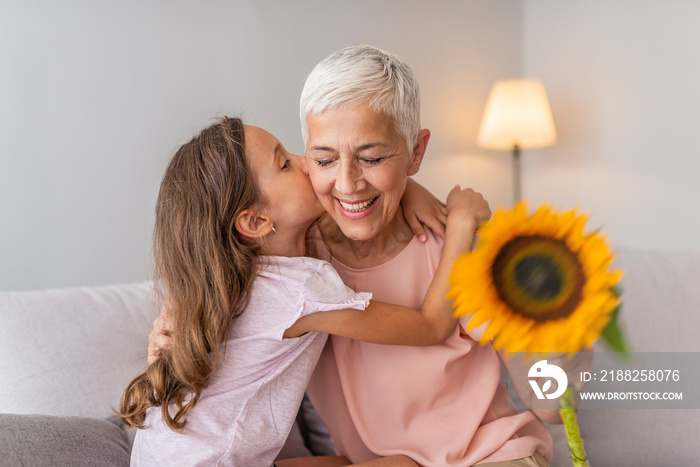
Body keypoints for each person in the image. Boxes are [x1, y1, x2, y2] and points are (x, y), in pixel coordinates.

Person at [150, 45, 558, 466]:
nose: (346, 183)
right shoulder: (297, 258)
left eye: (373, 157)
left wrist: (567, 341)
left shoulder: (459, 251)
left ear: (416, 153)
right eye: (323, 159)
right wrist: (174, 312)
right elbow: (211, 256)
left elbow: (551, 404)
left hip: (490, 457)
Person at [121, 116, 490, 467]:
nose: (307, 162)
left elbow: (357, 199)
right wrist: (460, 226)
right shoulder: (297, 289)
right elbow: (430, 326)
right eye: (284, 164)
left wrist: (408, 190)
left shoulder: (229, 276)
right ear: (255, 221)